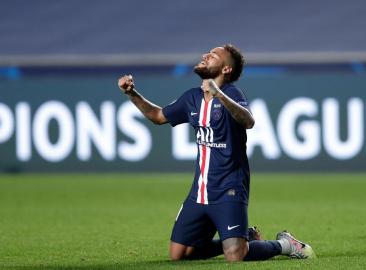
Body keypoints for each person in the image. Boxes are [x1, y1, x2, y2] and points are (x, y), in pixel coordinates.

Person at [117, 44, 315, 262]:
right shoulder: (191, 98)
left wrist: (219, 94)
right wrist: (131, 93)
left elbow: (248, 121)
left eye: (212, 55)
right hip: (199, 193)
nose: (204, 55)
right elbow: (157, 116)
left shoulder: (232, 94)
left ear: (226, 69)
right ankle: (245, 236)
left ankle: (285, 244)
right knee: (179, 255)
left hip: (229, 189)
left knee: (235, 257)